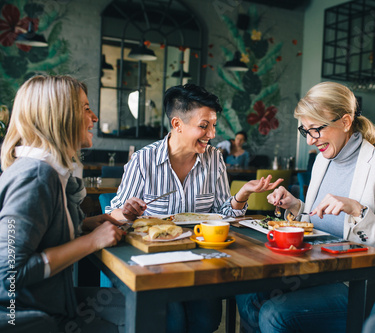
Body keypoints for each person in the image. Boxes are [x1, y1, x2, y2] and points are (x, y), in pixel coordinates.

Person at [235, 81, 375, 333]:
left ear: (346, 122)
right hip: (316, 269)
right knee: (247, 294)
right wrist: (295, 205)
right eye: (305, 131)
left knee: (275, 314)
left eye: (316, 129)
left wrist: (357, 211)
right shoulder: (322, 161)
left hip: (358, 282)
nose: (310, 140)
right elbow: (320, 220)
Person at [109, 83, 282, 332]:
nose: (212, 134)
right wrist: (125, 212)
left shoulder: (214, 159)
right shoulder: (143, 160)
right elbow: (112, 214)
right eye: (203, 126)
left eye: (213, 125)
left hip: (203, 260)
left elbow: (224, 215)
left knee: (207, 321)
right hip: (157, 261)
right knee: (174, 322)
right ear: (177, 124)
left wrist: (242, 195)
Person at [0, 75, 126, 332]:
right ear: (59, 115)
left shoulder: (48, 170)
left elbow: (41, 235)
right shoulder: (36, 176)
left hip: (55, 302)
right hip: (32, 316)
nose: (95, 118)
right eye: (86, 108)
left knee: (136, 306)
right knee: (143, 313)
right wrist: (91, 241)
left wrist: (86, 224)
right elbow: (9, 273)